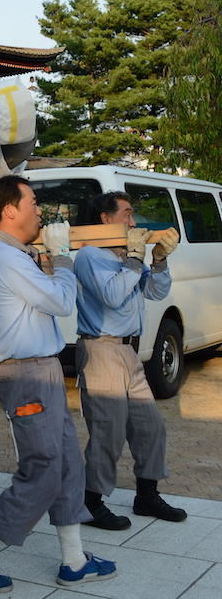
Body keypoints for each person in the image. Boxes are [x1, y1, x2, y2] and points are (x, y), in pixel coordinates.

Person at [0, 175, 117, 592]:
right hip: (26, 376)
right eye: (33, 201)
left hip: (41, 370)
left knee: (67, 464)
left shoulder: (16, 255)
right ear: (9, 210)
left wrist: (49, 259)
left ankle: (74, 560)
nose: (40, 210)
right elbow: (62, 302)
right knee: (43, 470)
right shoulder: (3, 258)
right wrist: (62, 258)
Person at [75, 191, 185, 528]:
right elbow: (111, 294)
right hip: (101, 350)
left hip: (129, 352)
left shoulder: (126, 255)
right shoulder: (89, 256)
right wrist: (135, 259)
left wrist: (159, 260)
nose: (133, 222)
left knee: (150, 426)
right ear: (105, 219)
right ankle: (90, 502)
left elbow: (155, 292)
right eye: (126, 214)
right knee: (108, 431)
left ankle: (146, 497)